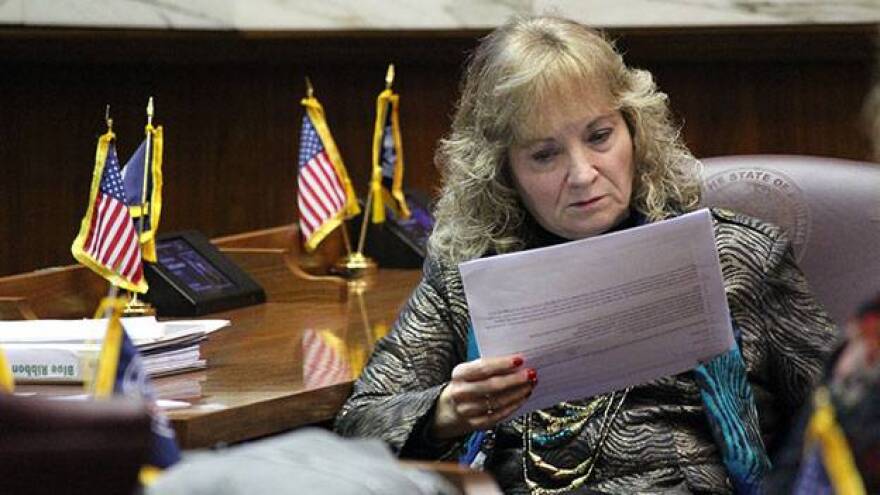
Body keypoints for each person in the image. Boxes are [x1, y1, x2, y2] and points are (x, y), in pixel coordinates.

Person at [335, 15, 836, 494]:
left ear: (635, 133)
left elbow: (854, 412)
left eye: (599, 137)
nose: (582, 174)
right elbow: (356, 427)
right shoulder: (467, 274)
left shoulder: (738, 254)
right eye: (544, 154)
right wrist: (448, 412)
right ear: (502, 170)